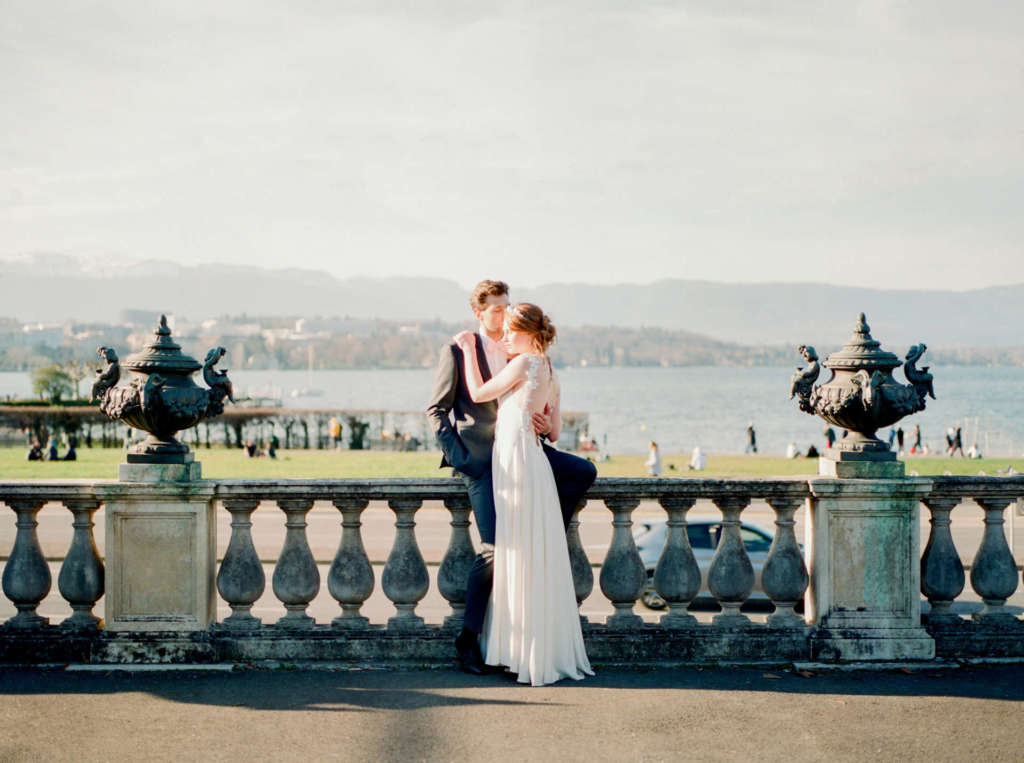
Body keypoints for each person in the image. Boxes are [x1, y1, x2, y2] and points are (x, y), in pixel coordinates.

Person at [427, 281, 596, 682]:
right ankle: (469, 640)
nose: (503, 314)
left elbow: (535, 399)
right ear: (479, 313)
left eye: (507, 307)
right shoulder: (458, 349)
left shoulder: (519, 352)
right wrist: (461, 458)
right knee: (495, 550)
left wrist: (542, 422)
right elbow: (437, 409)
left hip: (519, 451)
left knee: (582, 471)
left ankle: (546, 527)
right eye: (496, 309)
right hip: (482, 463)